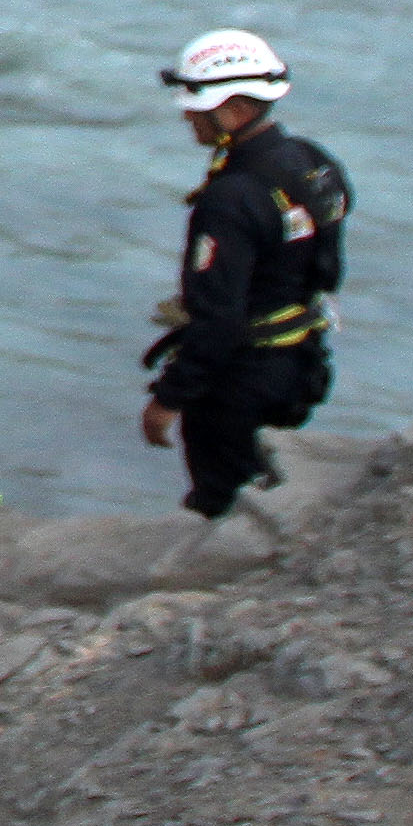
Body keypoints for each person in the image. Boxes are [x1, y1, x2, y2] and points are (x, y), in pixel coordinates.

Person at [147, 28, 351, 519]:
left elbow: (219, 318)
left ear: (231, 109)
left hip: (240, 381)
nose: (186, 115)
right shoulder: (313, 163)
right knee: (266, 480)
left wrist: (168, 399)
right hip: (301, 362)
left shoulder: (230, 198)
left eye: (195, 106)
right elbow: (321, 263)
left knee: (222, 500)